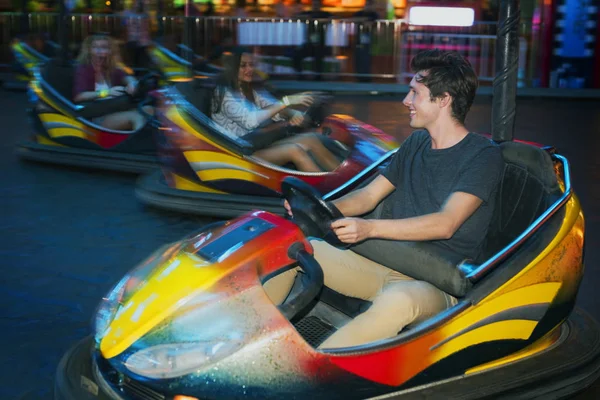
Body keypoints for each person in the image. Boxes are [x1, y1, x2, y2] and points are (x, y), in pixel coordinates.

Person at [267, 50, 505, 348]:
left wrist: (369, 229)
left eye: (415, 93)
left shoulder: (482, 156)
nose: (406, 101)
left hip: (435, 280)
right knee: (291, 247)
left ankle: (318, 375)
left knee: (399, 300)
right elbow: (368, 196)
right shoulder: (416, 142)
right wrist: (317, 209)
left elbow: (446, 223)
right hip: (385, 263)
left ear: (443, 99)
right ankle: (245, 339)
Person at [211, 51, 340, 172]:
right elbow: (251, 121)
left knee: (310, 138)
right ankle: (324, 192)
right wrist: (286, 101)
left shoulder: (249, 90)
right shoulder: (223, 94)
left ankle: (342, 179)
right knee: (293, 150)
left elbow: (273, 107)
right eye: (243, 66)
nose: (249, 69)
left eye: (251, 65)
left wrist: (292, 114)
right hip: (236, 154)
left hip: (256, 146)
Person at [73, 34, 151, 131]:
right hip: (96, 115)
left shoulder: (111, 68)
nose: (99, 51)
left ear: (110, 51)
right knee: (137, 117)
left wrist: (132, 84)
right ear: (89, 50)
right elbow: (79, 96)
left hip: (114, 109)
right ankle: (138, 145)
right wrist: (106, 92)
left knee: (149, 109)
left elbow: (127, 77)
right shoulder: (83, 69)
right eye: (95, 47)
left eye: (103, 48)